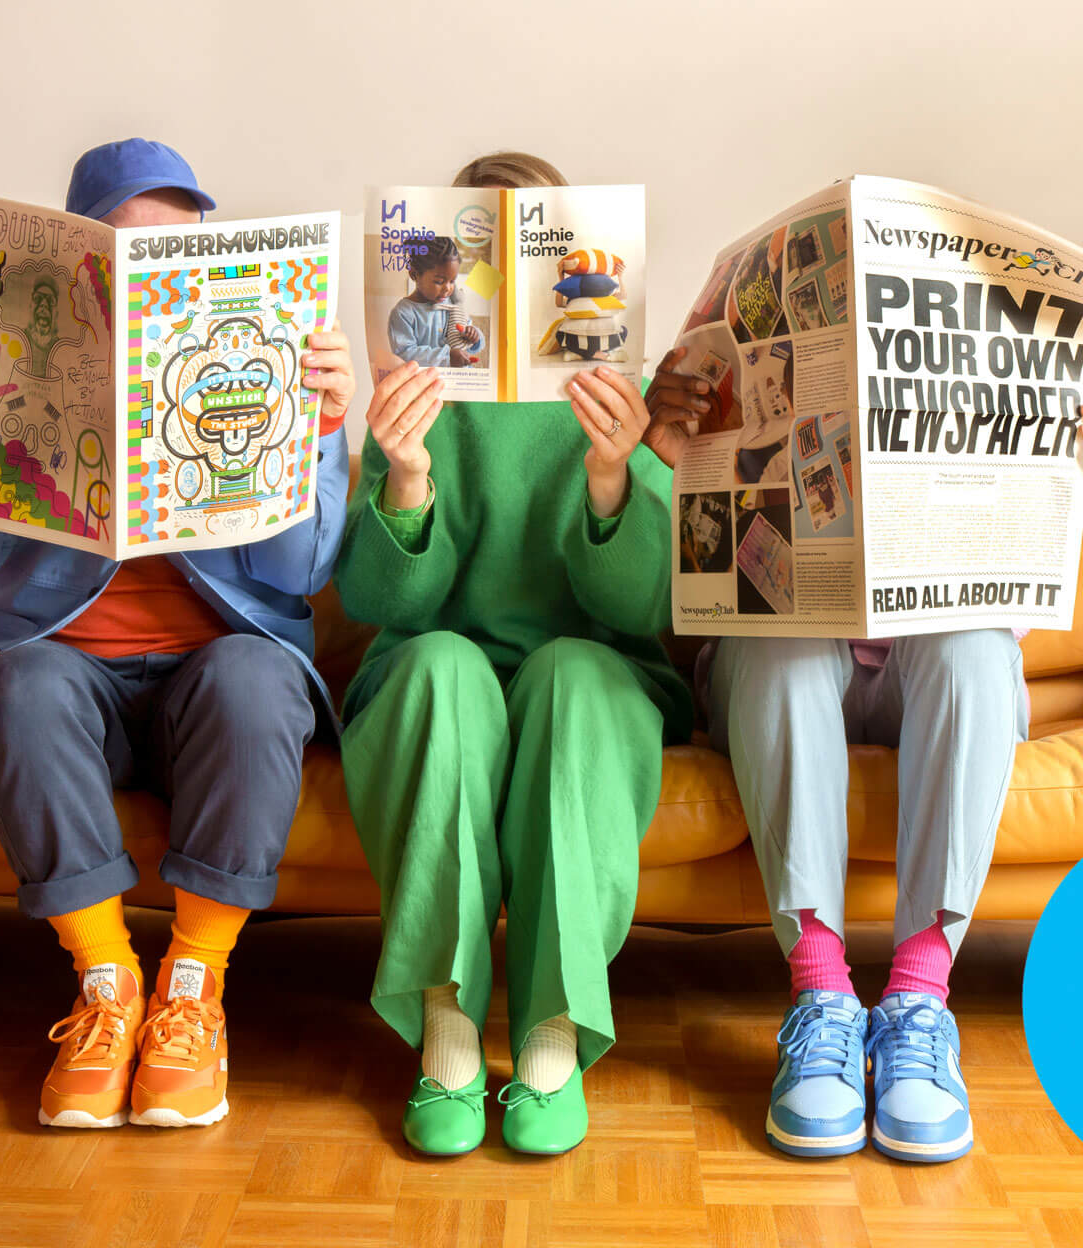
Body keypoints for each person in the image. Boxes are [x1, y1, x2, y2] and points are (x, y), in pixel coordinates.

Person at [0, 138, 356, 1131]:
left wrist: (316, 425)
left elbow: (300, 575)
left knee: (256, 675)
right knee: (18, 682)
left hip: (215, 682)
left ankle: (192, 990)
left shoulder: (264, 360)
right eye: (124, 245)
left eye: (175, 245)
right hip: (68, 683)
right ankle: (107, 987)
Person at [646, 359, 1083, 1163]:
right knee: (783, 645)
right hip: (787, 648)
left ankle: (918, 999)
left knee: (972, 644)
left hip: (940, 665)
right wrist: (681, 458)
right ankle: (822, 994)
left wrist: (1062, 500)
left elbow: (1003, 608)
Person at [334, 151, 690, 1158]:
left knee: (571, 673)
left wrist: (616, 476)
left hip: (590, 673)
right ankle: (446, 1030)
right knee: (444, 664)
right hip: (434, 669)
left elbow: (640, 604)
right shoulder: (417, 389)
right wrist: (406, 474)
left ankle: (549, 1033)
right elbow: (373, 599)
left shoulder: (628, 390)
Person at [387, 234, 481, 367]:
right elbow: (405, 353)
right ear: (414, 274)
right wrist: (446, 357)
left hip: (460, 381)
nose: (448, 288)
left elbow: (466, 331)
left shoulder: (452, 304)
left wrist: (474, 336)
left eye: (452, 281)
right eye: (439, 281)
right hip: (426, 381)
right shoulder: (403, 313)